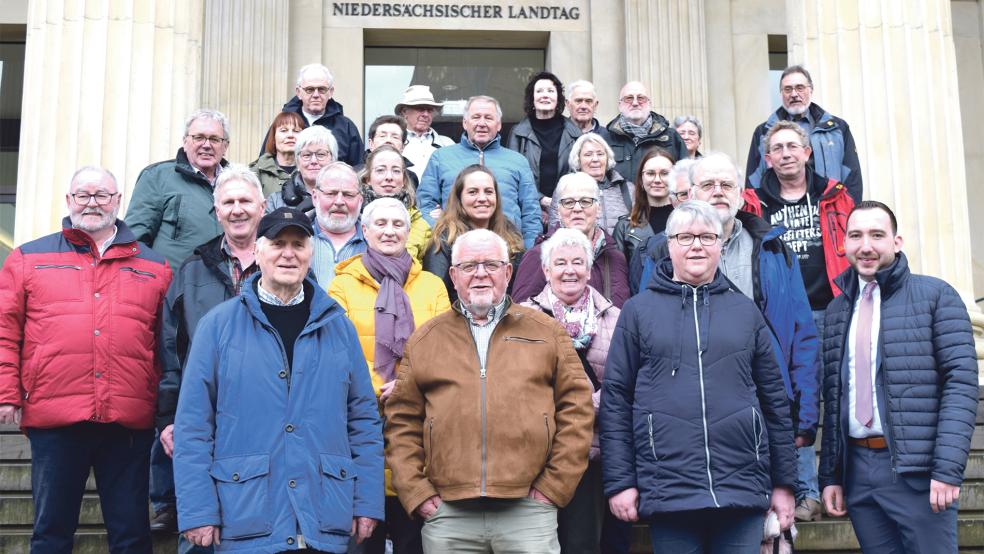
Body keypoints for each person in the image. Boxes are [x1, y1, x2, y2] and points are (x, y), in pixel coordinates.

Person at [174, 207, 384, 552]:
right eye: (278, 243)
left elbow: (363, 421)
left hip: (324, 514)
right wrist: (197, 509)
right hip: (246, 515)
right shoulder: (218, 326)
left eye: (298, 244)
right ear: (258, 251)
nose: (289, 253)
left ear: (311, 253)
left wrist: (366, 503)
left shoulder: (338, 326)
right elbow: (194, 426)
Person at [602, 200, 797, 553]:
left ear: (720, 246)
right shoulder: (638, 312)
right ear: (670, 244)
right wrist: (620, 482)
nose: (697, 245)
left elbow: (774, 401)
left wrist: (784, 484)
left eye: (707, 237)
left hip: (741, 487)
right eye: (686, 236)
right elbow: (616, 400)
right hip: (669, 489)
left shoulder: (745, 310)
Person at [384, 228, 594, 553]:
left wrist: (553, 487)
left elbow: (577, 411)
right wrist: (418, 493)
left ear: (507, 272)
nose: (480, 274)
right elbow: (402, 423)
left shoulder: (546, 332)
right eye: (469, 266)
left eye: (491, 265)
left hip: (528, 509)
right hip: (449, 514)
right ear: (453, 275)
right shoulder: (427, 339)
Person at [0, 166, 172, 553]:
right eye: (83, 194)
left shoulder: (155, 267)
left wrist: (164, 409)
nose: (92, 202)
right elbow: (5, 329)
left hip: (129, 420)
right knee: (51, 532)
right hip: (56, 416)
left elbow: (165, 345)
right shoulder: (29, 258)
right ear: (69, 200)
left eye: (102, 195)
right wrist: (7, 390)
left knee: (132, 535)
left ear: (117, 201)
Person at [633, 154, 821, 502]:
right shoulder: (660, 252)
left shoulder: (774, 250)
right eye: (708, 185)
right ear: (690, 193)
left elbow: (802, 334)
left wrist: (806, 412)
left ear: (741, 193)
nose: (718, 192)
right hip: (691, 408)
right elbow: (647, 333)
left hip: (765, 401)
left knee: (770, 520)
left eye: (726, 185)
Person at [819, 201, 978, 554]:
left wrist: (948, 469)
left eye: (877, 235)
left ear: (897, 241)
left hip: (917, 474)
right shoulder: (836, 310)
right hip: (859, 474)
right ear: (843, 244)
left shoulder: (936, 296)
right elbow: (835, 397)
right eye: (856, 235)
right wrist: (831, 475)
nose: (866, 246)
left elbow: (961, 383)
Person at [328, 197, 450, 554]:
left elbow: (445, 350)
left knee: (413, 538)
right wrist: (381, 388)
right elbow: (337, 352)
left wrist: (408, 384)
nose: (389, 231)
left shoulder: (432, 285)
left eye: (398, 224)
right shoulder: (342, 286)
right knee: (364, 537)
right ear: (364, 231)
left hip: (420, 423)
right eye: (380, 223)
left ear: (409, 232)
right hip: (361, 421)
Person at [153, 166, 265, 548]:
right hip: (202, 418)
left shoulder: (284, 264)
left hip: (265, 421)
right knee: (198, 531)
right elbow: (171, 348)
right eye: (228, 202)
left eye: (245, 201)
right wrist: (167, 419)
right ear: (216, 211)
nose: (237, 210)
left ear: (262, 207)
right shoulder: (192, 269)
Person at [756, 122, 855, 521]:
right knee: (793, 402)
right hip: (784, 316)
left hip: (833, 308)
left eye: (792, 146)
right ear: (767, 158)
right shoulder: (754, 202)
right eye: (777, 148)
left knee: (837, 398)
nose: (785, 153)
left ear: (807, 152)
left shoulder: (835, 196)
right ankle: (805, 491)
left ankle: (840, 484)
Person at [520, 228, 620, 554]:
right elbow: (516, 383)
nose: (569, 270)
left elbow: (624, 383)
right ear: (546, 270)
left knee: (582, 544)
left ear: (589, 270)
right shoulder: (521, 318)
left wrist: (577, 408)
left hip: (593, 454)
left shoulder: (616, 319)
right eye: (560, 262)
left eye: (578, 262)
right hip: (537, 456)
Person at [416, 95, 541, 248]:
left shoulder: (518, 161)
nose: (482, 123)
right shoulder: (440, 158)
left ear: (499, 124)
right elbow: (424, 206)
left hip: (509, 248)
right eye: (476, 117)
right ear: (465, 123)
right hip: (454, 248)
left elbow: (531, 214)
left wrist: (528, 254)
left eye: (488, 118)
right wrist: (443, 235)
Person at [126, 109, 229, 269]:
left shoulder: (237, 182)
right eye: (199, 137)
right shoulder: (157, 177)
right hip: (172, 288)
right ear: (185, 141)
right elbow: (135, 241)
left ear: (225, 146)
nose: (206, 145)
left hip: (225, 288)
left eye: (214, 139)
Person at [745, 65, 862, 202]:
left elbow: (852, 179)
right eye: (788, 89)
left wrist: (849, 214)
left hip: (829, 209)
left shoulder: (837, 129)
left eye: (800, 88)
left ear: (810, 90)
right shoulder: (763, 132)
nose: (794, 94)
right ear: (781, 93)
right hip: (780, 212)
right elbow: (753, 183)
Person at [513, 172, 630, 308]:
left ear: (598, 209)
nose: (577, 208)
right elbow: (521, 315)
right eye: (568, 202)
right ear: (558, 211)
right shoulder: (539, 255)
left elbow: (621, 315)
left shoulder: (614, 257)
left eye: (586, 201)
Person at [423, 165, 525, 302]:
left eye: (489, 192)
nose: (482, 198)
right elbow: (436, 296)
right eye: (473, 192)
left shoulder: (510, 233)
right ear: (459, 199)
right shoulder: (443, 240)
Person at [261, 63, 363, 165]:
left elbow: (359, 169)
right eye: (309, 90)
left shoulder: (346, 127)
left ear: (330, 92)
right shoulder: (283, 124)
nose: (316, 95)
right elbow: (264, 164)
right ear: (298, 92)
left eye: (321, 89)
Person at [507, 71, 582, 209]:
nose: (545, 95)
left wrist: (560, 200)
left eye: (550, 91)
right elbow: (513, 174)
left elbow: (579, 173)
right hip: (528, 206)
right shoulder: (518, 133)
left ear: (558, 98)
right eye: (539, 91)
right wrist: (540, 198)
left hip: (567, 207)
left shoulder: (575, 134)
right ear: (532, 98)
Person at [548, 132, 632, 233]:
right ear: (578, 159)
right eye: (588, 155)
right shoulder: (565, 188)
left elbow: (639, 227)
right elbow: (555, 229)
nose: (595, 159)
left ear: (607, 158)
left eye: (600, 154)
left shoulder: (627, 188)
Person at [604, 81, 687, 181]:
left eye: (641, 98)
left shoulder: (671, 137)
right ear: (620, 105)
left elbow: (685, 177)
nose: (635, 103)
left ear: (649, 103)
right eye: (629, 98)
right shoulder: (606, 139)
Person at [360, 145, 431, 261]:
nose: (389, 177)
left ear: (403, 180)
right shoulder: (353, 219)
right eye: (380, 170)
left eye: (396, 171)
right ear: (368, 178)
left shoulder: (421, 226)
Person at [613, 147, 676, 265]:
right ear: (641, 180)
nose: (657, 180)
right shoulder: (625, 227)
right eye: (650, 173)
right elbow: (618, 275)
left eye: (665, 173)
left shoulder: (688, 221)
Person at [310, 162, 367, 288]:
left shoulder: (375, 243)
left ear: (360, 200)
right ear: (315, 197)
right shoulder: (297, 238)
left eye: (348, 195)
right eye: (331, 194)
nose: (339, 202)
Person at [265, 125, 338, 218]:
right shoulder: (275, 201)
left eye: (321, 154)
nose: (314, 161)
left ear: (333, 159)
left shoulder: (347, 198)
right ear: (297, 161)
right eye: (306, 155)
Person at [395, 85, 455, 179]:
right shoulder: (394, 141)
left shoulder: (447, 143)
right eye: (420, 109)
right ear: (404, 112)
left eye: (429, 110)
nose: (425, 114)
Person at [249, 111, 305, 196]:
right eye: (284, 130)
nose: (290, 135)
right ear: (273, 137)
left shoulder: (312, 169)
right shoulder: (256, 172)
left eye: (296, 131)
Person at [360, 115, 420, 189]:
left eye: (395, 137)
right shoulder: (355, 173)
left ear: (403, 147)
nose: (388, 140)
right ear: (371, 144)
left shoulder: (411, 178)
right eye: (382, 136)